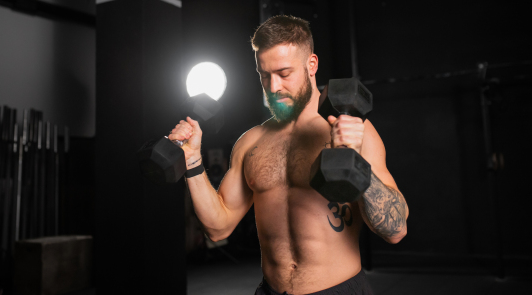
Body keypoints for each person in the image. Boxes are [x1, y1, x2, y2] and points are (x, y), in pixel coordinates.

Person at [170, 15, 408, 295]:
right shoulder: (250, 143)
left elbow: (396, 230)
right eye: (264, 75)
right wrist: (193, 163)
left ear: (311, 65)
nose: (273, 88)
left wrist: (357, 162)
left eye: (284, 73)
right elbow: (218, 228)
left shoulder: (354, 130)